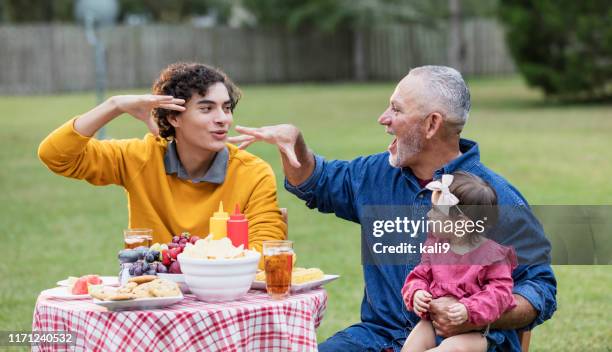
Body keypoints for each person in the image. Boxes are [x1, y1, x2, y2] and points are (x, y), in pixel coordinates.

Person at [228, 65, 557, 351]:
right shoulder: (376, 174)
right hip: (376, 338)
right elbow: (317, 181)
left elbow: (540, 288)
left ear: (431, 125)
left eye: (396, 110)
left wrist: (469, 314)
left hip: (462, 342)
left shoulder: (496, 198)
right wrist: (295, 143)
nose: (383, 119)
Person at [38, 62, 287, 254]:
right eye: (206, 108)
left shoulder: (253, 173)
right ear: (173, 118)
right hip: (152, 299)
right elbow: (56, 155)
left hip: (224, 299)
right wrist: (114, 105)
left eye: (227, 107)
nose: (223, 118)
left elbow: (268, 251)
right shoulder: (141, 158)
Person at [401, 172, 517, 352]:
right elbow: (419, 275)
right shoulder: (435, 245)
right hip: (435, 322)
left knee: (450, 350)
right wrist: (417, 292)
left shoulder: (493, 256)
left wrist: (469, 308)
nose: (429, 215)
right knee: (410, 348)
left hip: (476, 330)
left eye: (436, 211)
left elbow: (500, 293)